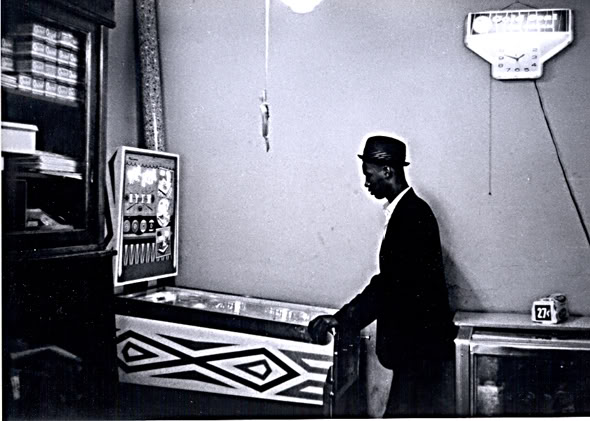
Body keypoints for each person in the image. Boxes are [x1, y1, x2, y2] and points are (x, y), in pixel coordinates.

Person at [308, 134, 456, 417]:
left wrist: (342, 318)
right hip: (417, 351)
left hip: (417, 352)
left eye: (369, 174)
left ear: (387, 171)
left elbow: (389, 285)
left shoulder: (411, 216)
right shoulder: (409, 211)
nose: (366, 183)